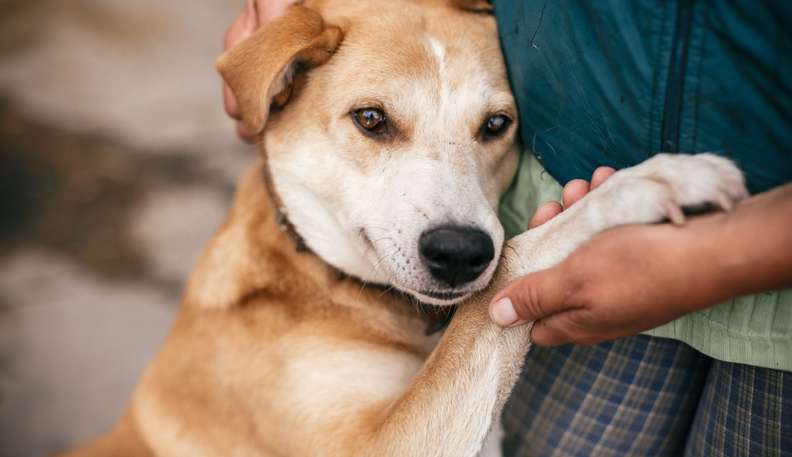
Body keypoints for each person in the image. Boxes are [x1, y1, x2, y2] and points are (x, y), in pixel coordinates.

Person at [223, 1, 792, 455]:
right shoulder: (248, 314)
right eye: (375, 121)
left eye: (491, 125)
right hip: (587, 210)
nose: (451, 218)